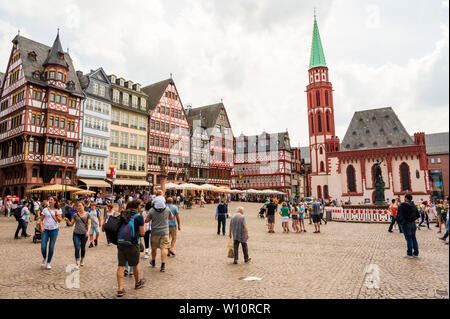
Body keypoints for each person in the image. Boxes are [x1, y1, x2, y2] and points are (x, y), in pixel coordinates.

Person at [116, 199, 146, 297]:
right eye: (140, 206)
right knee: (135, 264)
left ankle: (120, 289)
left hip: (121, 242)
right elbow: (142, 233)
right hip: (133, 243)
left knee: (121, 265)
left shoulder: (123, 214)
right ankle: (137, 283)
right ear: (137, 206)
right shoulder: (139, 217)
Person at [145, 196, 174, 273]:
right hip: (165, 232)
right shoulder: (167, 209)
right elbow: (171, 217)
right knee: (163, 248)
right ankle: (163, 266)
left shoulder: (152, 210)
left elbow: (146, 220)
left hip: (155, 232)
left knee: (154, 248)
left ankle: (153, 261)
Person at [65, 202, 91, 269]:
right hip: (76, 234)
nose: (79, 207)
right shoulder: (75, 215)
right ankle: (77, 262)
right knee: (77, 247)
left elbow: (89, 224)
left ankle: (82, 260)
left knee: (83, 248)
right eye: (78, 206)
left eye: (80, 205)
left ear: (83, 206)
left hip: (84, 234)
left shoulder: (88, 214)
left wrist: (88, 232)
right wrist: (68, 220)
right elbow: (71, 224)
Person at [39, 197, 63, 270]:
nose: (50, 201)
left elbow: (60, 220)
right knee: (43, 246)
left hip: (54, 230)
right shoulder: (45, 209)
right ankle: (44, 258)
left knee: (51, 247)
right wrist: (41, 227)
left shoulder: (58, 210)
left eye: (51, 200)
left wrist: (56, 215)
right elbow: (41, 220)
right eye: (49, 199)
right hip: (45, 230)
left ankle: (48, 262)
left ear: (55, 202)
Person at [397, 194, 420, 258]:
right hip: (413, 223)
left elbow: (399, 215)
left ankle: (409, 254)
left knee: (408, 239)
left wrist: (402, 222)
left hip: (406, 224)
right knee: (414, 238)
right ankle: (416, 253)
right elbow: (417, 215)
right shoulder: (414, 205)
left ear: (406, 198)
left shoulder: (402, 206)